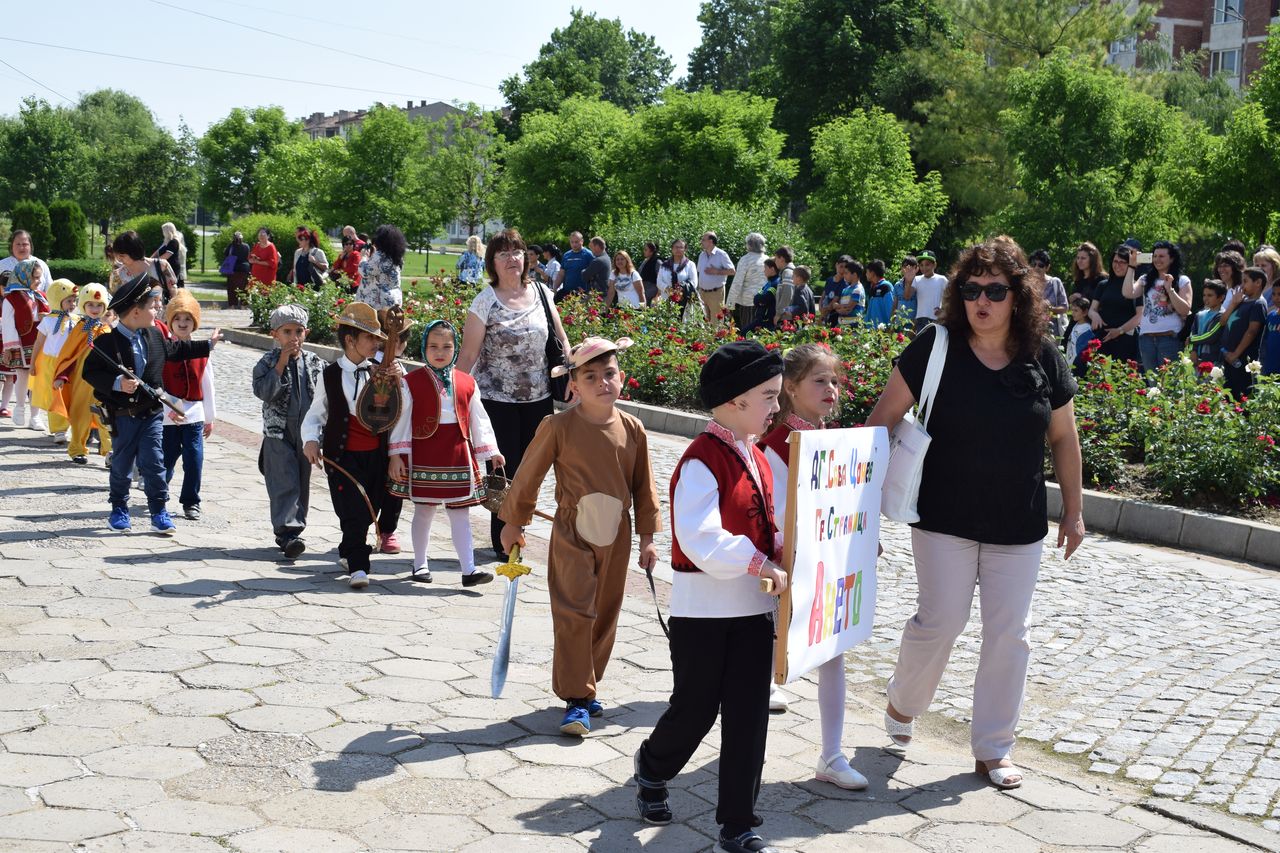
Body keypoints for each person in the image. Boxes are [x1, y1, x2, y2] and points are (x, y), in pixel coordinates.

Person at [867, 236, 1084, 791]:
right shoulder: (935, 346)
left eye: (994, 290)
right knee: (940, 622)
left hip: (1019, 522)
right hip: (944, 516)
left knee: (1010, 635)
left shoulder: (1043, 355)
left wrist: (1074, 511)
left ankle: (993, 748)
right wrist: (860, 508)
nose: (981, 301)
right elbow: (880, 422)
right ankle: (902, 703)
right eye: (971, 290)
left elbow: (1063, 437)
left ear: (1018, 296)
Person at [633, 339, 788, 853]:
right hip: (703, 612)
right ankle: (652, 766)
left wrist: (787, 549)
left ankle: (738, 824)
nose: (776, 406)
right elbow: (699, 536)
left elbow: (768, 523)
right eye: (769, 396)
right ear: (736, 400)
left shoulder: (757, 456)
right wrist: (759, 561)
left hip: (754, 610)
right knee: (696, 709)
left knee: (749, 715)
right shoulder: (700, 460)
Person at [500, 336, 661, 736]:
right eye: (590, 376)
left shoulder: (633, 429)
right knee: (575, 612)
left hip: (617, 534)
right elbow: (529, 475)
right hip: (573, 531)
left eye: (609, 374)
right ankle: (576, 698)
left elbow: (645, 487)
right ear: (573, 385)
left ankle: (588, 685)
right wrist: (514, 522)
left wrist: (648, 538)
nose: (602, 382)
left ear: (622, 377)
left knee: (605, 612)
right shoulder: (558, 427)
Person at [758, 343, 871, 791]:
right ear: (790, 387)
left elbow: (846, 502)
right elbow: (777, 511)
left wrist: (859, 537)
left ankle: (832, 753)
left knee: (833, 652)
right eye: (819, 380)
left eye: (835, 381)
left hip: (826, 567)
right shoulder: (775, 446)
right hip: (784, 569)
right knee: (764, 649)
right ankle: (747, 745)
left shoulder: (836, 442)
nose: (831, 389)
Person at [457, 229, 573, 558]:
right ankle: (501, 539)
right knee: (504, 471)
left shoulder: (542, 293)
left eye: (517, 252)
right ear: (492, 262)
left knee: (532, 470)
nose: (512, 259)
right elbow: (468, 354)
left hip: (538, 399)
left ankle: (517, 528)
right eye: (504, 254)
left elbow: (561, 339)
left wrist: (574, 374)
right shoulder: (485, 301)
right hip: (497, 402)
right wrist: (452, 393)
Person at [82, 272, 222, 535]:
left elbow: (176, 351)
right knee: (122, 464)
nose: (157, 309)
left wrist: (207, 345)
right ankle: (119, 509)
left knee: (155, 462)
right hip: (122, 414)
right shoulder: (106, 342)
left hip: (152, 413)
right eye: (152, 306)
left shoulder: (154, 335)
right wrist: (117, 383)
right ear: (136, 311)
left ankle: (159, 511)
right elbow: (89, 372)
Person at [301, 302, 412, 589]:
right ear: (350, 340)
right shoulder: (330, 375)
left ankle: (348, 551)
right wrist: (310, 439)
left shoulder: (382, 371)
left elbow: (401, 411)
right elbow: (316, 412)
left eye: (378, 337)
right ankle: (359, 567)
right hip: (342, 456)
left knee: (369, 508)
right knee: (353, 511)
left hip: (376, 456)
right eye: (370, 337)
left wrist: (400, 382)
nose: (377, 343)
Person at [394, 319, 502, 585]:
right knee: (424, 510)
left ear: (455, 348)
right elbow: (402, 421)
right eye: (433, 346)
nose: (440, 352)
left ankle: (469, 570)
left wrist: (492, 451)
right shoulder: (411, 382)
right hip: (425, 453)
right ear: (424, 348)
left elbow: (479, 419)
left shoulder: (467, 382)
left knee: (460, 512)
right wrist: (396, 454)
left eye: (446, 346)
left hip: (458, 455)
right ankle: (420, 564)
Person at [253, 304, 324, 560]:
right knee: (283, 480)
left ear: (306, 333)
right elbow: (264, 392)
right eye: (287, 332)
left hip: (306, 434)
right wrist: (281, 362)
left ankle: (295, 528)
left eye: (298, 332)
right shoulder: (267, 362)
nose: (293, 338)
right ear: (275, 334)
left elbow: (326, 395)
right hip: (278, 433)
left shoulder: (315, 362)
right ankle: (288, 532)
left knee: (301, 481)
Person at [160, 291, 215, 521]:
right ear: (170, 322)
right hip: (168, 415)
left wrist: (209, 418)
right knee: (167, 458)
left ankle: (191, 501)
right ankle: (159, 492)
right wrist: (171, 409)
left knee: (194, 458)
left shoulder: (201, 352)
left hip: (194, 413)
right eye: (178, 319)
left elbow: (207, 384)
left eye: (188, 319)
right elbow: (158, 384)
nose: (182, 324)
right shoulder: (163, 350)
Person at [51, 283, 112, 466]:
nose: (95, 309)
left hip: (102, 382)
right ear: (83, 306)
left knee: (105, 415)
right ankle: (77, 449)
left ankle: (110, 451)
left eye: (99, 305)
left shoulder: (107, 330)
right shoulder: (80, 329)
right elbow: (68, 354)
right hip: (81, 381)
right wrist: (61, 376)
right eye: (90, 304)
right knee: (79, 415)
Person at [372, 309, 408, 555]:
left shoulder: (401, 369)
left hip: (397, 435)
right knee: (374, 481)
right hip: (374, 435)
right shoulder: (369, 366)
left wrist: (401, 379)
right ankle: (369, 527)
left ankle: (387, 530)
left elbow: (409, 400)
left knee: (395, 483)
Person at [1124, 241, 1192, 372]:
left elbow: (1185, 310)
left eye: (1161, 256)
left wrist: (1170, 289)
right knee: (1152, 382)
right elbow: (1128, 293)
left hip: (1170, 339)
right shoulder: (1145, 279)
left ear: (1172, 259)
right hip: (1146, 339)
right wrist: (1131, 266)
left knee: (1170, 381)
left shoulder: (1182, 280)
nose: (1157, 260)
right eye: (1154, 256)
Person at [1, 260, 49, 428]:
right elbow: (8, 324)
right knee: (22, 376)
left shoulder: (41, 296)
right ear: (23, 276)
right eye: (35, 277)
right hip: (21, 342)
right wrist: (10, 347)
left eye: (40, 277)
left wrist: (47, 318)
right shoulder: (11, 298)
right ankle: (20, 408)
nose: (39, 281)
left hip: (40, 341)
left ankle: (35, 416)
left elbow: (49, 316)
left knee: (37, 378)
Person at [29, 278, 78, 442]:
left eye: (74, 300)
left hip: (70, 362)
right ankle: (59, 430)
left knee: (69, 393)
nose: (73, 304)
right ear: (57, 300)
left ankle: (71, 425)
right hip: (51, 362)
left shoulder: (77, 321)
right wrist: (32, 363)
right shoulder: (48, 320)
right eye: (69, 301)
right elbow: (38, 342)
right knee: (55, 395)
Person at [1218, 267, 1267, 399]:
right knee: (1227, 396)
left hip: (1242, 360)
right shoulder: (1240, 301)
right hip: (1228, 358)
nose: (1242, 285)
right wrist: (1233, 304)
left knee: (1241, 397)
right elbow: (1222, 322)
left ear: (1258, 283)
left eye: (1245, 281)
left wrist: (1235, 354)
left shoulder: (1258, 304)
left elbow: (1252, 331)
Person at [1087, 247, 1141, 363]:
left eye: (1122, 262)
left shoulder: (1137, 287)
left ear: (1129, 264)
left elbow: (1139, 316)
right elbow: (1092, 310)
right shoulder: (1103, 285)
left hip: (1125, 339)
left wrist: (1119, 331)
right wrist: (1095, 315)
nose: (1118, 265)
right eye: (1115, 261)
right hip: (1102, 338)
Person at [113, 231, 177, 304]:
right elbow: (115, 302)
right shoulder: (118, 275)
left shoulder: (161, 265)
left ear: (134, 251)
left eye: (122, 256)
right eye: (116, 255)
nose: (119, 259)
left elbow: (173, 291)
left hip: (162, 310)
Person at [357, 224, 405, 309]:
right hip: (394, 298)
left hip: (378, 301)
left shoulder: (380, 256)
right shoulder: (397, 256)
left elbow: (364, 271)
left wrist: (364, 257)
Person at [728, 233, 766, 330]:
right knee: (762, 330)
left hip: (748, 302)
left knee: (748, 329)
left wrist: (729, 305)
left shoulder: (745, 259)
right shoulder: (767, 259)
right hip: (765, 300)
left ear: (749, 245)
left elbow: (737, 283)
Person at [697, 231, 736, 323]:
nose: (701, 242)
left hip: (716, 293)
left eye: (703, 240)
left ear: (710, 241)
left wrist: (717, 271)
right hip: (702, 293)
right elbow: (699, 272)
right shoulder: (702, 255)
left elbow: (732, 271)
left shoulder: (721, 254)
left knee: (716, 322)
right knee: (703, 322)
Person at [657, 239, 700, 323]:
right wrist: (668, 289)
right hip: (666, 298)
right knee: (667, 323)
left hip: (684, 300)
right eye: (676, 247)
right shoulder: (664, 265)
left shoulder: (690, 265)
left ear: (685, 249)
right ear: (672, 249)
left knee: (683, 324)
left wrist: (679, 290)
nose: (678, 249)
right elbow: (659, 281)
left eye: (681, 247)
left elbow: (694, 282)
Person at [1030, 250, 1068, 336]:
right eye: (1033, 264)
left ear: (1047, 267)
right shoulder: (1028, 284)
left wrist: (1050, 308)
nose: (1036, 268)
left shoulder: (1055, 282)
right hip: (1031, 331)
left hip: (1052, 333)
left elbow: (1065, 307)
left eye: (1041, 265)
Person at [908, 249, 948, 332]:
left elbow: (951, 297)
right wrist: (909, 280)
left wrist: (943, 310)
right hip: (920, 320)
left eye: (927, 265)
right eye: (921, 265)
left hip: (936, 319)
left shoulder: (942, 279)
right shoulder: (916, 279)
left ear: (934, 265)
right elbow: (907, 296)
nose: (924, 268)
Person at [1190, 280, 1227, 365]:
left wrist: (1191, 340)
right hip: (1197, 360)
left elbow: (1210, 336)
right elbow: (1193, 333)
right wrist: (1193, 351)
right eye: (1204, 295)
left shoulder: (1222, 316)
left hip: (1213, 360)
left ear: (1221, 298)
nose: (1205, 298)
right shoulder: (1199, 315)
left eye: (1210, 295)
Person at [554, 231, 594, 302]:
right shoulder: (566, 255)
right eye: (572, 242)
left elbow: (595, 274)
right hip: (567, 292)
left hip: (582, 293)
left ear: (582, 241)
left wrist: (590, 293)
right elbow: (561, 274)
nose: (574, 244)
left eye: (576, 242)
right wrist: (555, 288)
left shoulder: (589, 255)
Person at [743, 259, 779, 335]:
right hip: (760, 319)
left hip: (766, 321)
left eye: (765, 268)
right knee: (744, 332)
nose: (764, 271)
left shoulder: (775, 283)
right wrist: (759, 300)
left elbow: (765, 299)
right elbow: (756, 298)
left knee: (745, 333)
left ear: (772, 269)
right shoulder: (768, 283)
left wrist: (760, 300)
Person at [1064, 294, 1096, 377]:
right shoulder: (1076, 325)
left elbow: (1082, 352)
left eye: (1076, 310)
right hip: (1069, 363)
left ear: (1085, 312)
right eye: (1072, 310)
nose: (1073, 313)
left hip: (1077, 368)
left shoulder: (1087, 329)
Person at [152, 222, 187, 290]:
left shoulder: (174, 242)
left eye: (163, 231)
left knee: (171, 287)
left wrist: (154, 261)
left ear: (167, 231)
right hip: (166, 266)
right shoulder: (167, 242)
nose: (163, 233)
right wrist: (149, 259)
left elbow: (167, 255)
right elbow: (157, 252)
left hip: (172, 267)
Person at [818, 257, 849, 328]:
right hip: (824, 312)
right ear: (836, 265)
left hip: (834, 314)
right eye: (841, 266)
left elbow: (834, 301)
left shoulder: (844, 283)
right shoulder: (829, 280)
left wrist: (823, 313)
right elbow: (822, 297)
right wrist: (820, 307)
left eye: (845, 267)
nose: (843, 270)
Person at [833, 260, 865, 327]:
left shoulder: (857, 289)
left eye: (846, 273)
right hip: (842, 325)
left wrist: (837, 306)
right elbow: (840, 307)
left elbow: (848, 307)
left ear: (854, 275)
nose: (844, 275)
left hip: (854, 327)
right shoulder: (845, 289)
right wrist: (839, 307)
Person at [224, 232, 252, 307]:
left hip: (233, 269)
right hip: (244, 269)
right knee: (244, 288)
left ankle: (233, 305)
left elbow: (226, 254)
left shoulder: (231, 246)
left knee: (232, 289)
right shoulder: (246, 246)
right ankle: (243, 305)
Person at [864, 260, 895, 328]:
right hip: (871, 331)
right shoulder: (873, 287)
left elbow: (891, 310)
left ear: (872, 273)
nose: (866, 274)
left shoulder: (886, 287)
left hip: (883, 331)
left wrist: (890, 328)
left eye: (867, 272)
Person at [772, 246, 796, 326]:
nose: (775, 262)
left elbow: (787, 294)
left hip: (786, 318)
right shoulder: (787, 272)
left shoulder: (787, 272)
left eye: (776, 259)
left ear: (782, 259)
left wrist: (778, 314)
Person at [893, 256, 919, 330]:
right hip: (898, 324)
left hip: (913, 325)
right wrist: (892, 324)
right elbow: (894, 306)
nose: (907, 269)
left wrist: (913, 328)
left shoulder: (919, 284)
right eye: (905, 266)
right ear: (901, 268)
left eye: (911, 267)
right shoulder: (897, 285)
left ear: (916, 268)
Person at [1261, 284, 1280, 376]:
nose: (1276, 298)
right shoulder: (1270, 316)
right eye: (1273, 294)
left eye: (1279, 294)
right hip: (1269, 368)